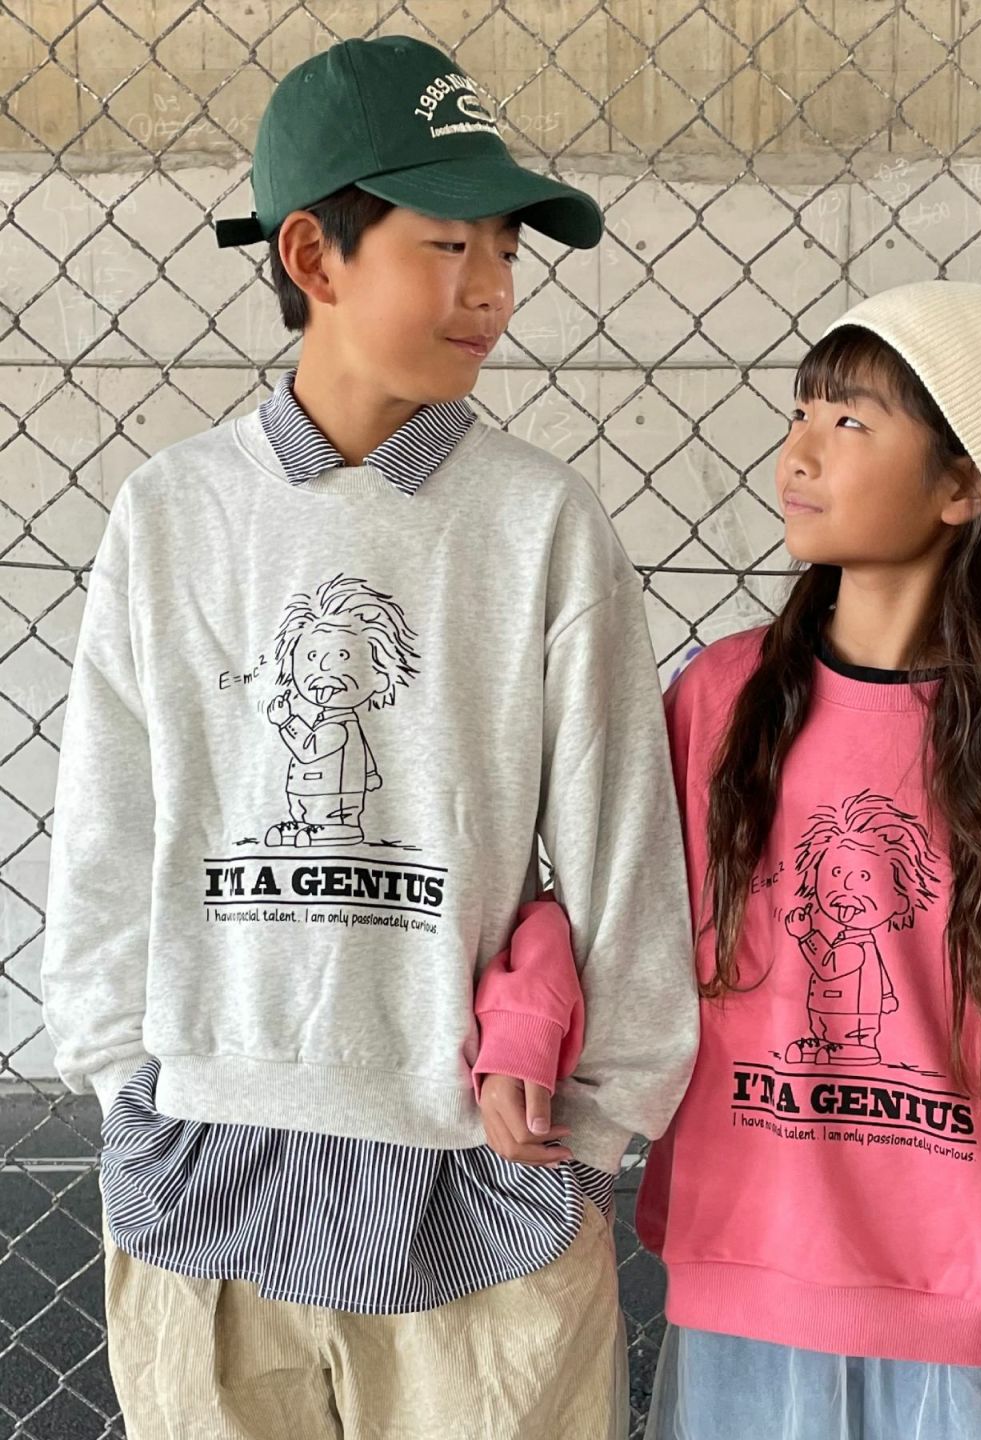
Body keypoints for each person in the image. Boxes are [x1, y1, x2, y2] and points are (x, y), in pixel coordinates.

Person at [42, 34, 697, 1440]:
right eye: (449, 244)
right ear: (314, 256)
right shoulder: (173, 513)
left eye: (506, 250)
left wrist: (594, 1130)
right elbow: (105, 824)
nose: (494, 290)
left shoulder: (539, 521)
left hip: (480, 1185)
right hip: (205, 1176)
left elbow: (622, 842)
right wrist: (126, 1087)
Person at [637, 281, 981, 1439]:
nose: (798, 453)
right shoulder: (722, 701)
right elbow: (607, 912)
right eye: (801, 412)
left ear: (964, 484)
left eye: (850, 422)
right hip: (748, 1286)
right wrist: (529, 1008)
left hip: (968, 1322)